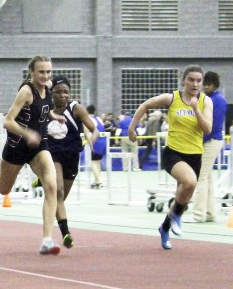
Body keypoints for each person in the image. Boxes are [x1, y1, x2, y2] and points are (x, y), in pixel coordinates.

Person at [0, 55, 65, 255]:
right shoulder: (26, 92)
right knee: (3, 189)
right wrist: (27, 134)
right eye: (41, 72)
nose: (45, 76)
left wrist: (54, 116)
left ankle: (47, 239)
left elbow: (42, 111)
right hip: (18, 145)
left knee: (51, 186)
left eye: (48, 72)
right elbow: (8, 121)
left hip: (38, 145)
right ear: (32, 72)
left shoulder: (49, 88)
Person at [128, 65, 213, 250]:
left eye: (199, 80)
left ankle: (165, 227)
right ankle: (176, 216)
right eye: (191, 79)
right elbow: (145, 106)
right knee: (189, 183)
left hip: (195, 155)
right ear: (184, 80)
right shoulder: (172, 98)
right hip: (173, 153)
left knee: (182, 196)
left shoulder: (206, 102)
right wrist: (131, 128)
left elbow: (207, 129)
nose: (195, 84)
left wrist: (196, 110)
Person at [45, 76, 99, 248]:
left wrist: (91, 139)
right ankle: (66, 233)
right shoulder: (45, 110)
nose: (62, 95)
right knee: (58, 191)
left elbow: (94, 129)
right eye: (58, 92)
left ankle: (43, 182)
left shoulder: (75, 108)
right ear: (51, 93)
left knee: (60, 198)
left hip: (72, 156)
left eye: (66, 92)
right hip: (53, 155)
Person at [184, 71, 228, 223]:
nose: (204, 87)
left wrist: (197, 142)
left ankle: (198, 214)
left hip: (211, 140)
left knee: (200, 178)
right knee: (207, 178)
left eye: (207, 84)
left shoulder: (217, 100)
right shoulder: (209, 98)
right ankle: (209, 213)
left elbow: (212, 125)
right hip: (209, 140)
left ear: (214, 85)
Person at [87, 105, 107, 189]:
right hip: (103, 141)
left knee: (93, 163)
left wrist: (89, 143)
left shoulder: (88, 119)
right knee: (97, 162)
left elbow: (88, 132)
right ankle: (96, 181)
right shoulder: (99, 119)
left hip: (96, 142)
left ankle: (98, 181)